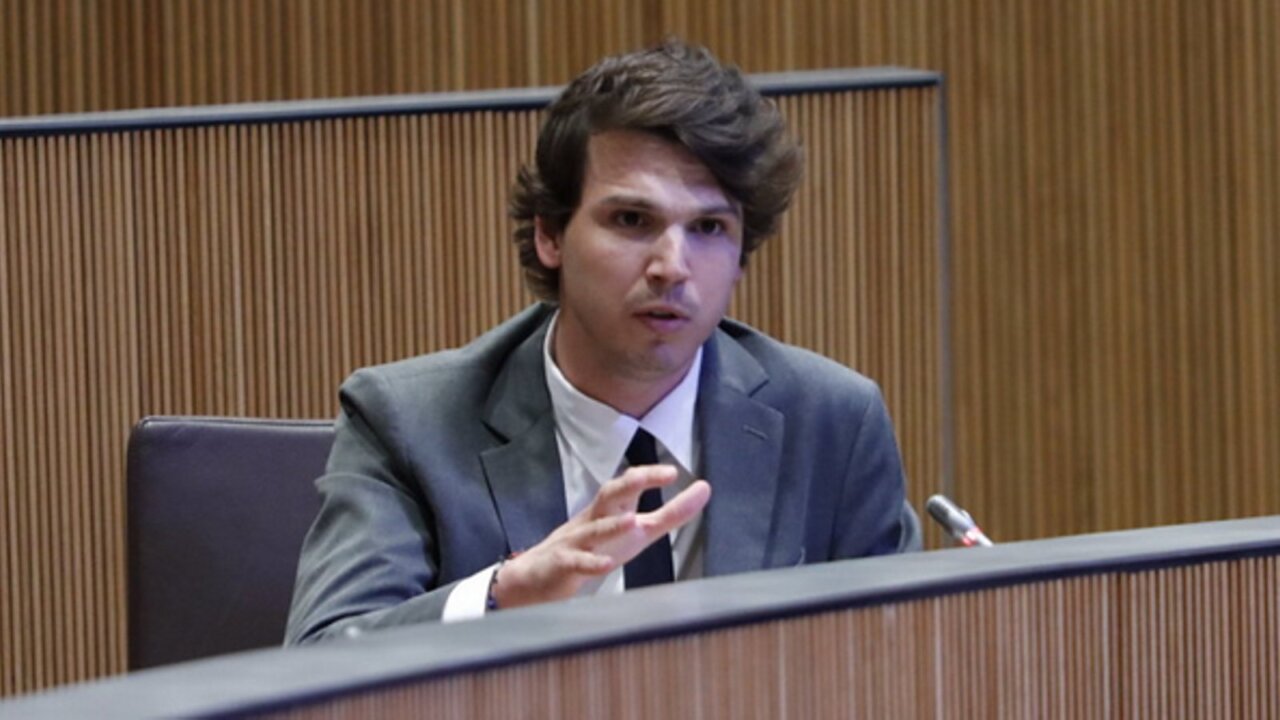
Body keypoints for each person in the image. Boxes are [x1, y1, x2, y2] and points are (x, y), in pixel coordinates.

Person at [285, 38, 920, 646]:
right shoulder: (409, 423)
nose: (672, 267)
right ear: (550, 235)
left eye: (708, 227)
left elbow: (900, 656)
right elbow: (324, 651)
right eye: (632, 220)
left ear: (741, 255)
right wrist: (503, 595)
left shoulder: (832, 421)